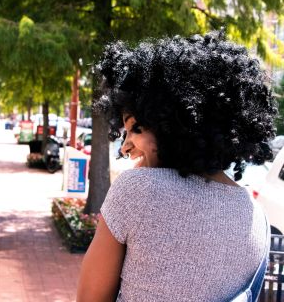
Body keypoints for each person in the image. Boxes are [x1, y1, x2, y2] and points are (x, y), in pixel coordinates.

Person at [76, 30, 277, 302]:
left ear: (177, 123)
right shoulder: (257, 217)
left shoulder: (137, 190)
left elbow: (91, 298)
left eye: (136, 128)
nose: (125, 146)